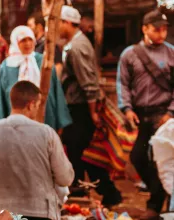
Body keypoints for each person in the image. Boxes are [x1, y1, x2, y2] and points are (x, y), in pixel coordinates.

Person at [0, 81, 74, 220]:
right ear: (31, 105)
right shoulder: (47, 134)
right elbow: (65, 177)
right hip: (40, 213)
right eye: (38, 105)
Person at [59, 5, 122, 206]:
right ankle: (106, 193)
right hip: (78, 107)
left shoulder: (77, 47)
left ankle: (83, 195)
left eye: (60, 23)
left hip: (81, 109)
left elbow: (88, 83)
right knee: (85, 153)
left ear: (67, 23)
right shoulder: (76, 43)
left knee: (79, 153)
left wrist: (93, 113)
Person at [117, 9, 174, 219]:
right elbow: (122, 83)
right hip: (141, 115)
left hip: (165, 117)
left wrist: (170, 113)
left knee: (160, 159)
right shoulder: (129, 54)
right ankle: (162, 193)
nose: (161, 34)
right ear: (145, 29)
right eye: (156, 29)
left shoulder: (171, 53)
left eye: (164, 30)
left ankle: (155, 205)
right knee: (138, 157)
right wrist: (127, 109)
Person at [0, 25, 72, 130]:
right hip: (16, 120)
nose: (28, 44)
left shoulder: (44, 62)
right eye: (23, 40)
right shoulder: (7, 66)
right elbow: (0, 98)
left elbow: (56, 91)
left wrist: (60, 121)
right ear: (16, 42)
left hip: (44, 116)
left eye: (30, 39)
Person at [27, 12, 63, 78]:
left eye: (30, 25)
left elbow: (58, 67)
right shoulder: (34, 45)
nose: (27, 28)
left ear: (38, 27)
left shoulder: (48, 44)